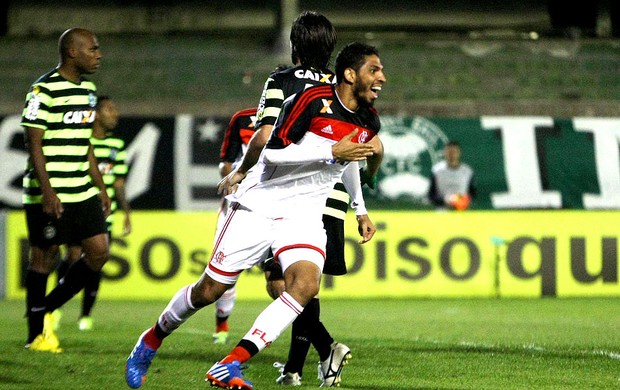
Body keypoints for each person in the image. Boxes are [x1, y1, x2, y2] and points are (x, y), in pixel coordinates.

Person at [125, 41, 386, 390]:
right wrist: (329, 151)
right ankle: (150, 341)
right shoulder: (311, 102)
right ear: (350, 74)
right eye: (374, 69)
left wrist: (360, 208)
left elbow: (348, 159)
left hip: (305, 215)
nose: (382, 77)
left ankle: (230, 364)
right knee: (209, 291)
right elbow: (272, 154)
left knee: (305, 286)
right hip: (262, 205)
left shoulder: (369, 119)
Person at [219, 12, 383, 387]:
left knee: (285, 284)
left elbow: (263, 139)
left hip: (292, 197)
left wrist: (242, 171)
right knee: (300, 282)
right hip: (333, 197)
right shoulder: (343, 88)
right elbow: (356, 150)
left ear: (295, 45)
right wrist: (360, 208)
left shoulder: (282, 80)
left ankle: (318, 353)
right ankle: (302, 364)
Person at [21, 27, 111, 353]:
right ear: (73, 52)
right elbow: (33, 144)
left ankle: (45, 308)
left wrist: (100, 187)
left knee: (99, 252)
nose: (98, 55)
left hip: (81, 188)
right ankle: (35, 335)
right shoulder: (42, 90)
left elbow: (85, 143)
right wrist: (47, 191)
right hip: (50, 190)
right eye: (93, 49)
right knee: (44, 258)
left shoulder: (88, 89)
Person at [52, 95, 131, 332]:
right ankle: (54, 306)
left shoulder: (116, 146)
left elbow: (118, 182)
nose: (115, 113)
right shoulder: (81, 142)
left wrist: (127, 211)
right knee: (74, 255)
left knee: (96, 258)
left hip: (105, 211)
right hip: (78, 205)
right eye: (109, 109)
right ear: (95, 113)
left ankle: (85, 314)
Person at [211, 106, 259, 344]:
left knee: (280, 278)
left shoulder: (296, 115)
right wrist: (231, 182)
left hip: (276, 205)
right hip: (238, 204)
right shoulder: (242, 119)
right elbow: (225, 162)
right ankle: (222, 322)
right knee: (224, 273)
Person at [428, 140, 476, 210]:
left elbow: (472, 193)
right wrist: (446, 200)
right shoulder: (436, 170)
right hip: (443, 211)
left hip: (462, 211)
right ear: (444, 153)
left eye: (454, 152)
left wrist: (463, 200)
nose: (452, 154)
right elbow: (431, 195)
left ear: (459, 153)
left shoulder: (467, 171)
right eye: (449, 152)